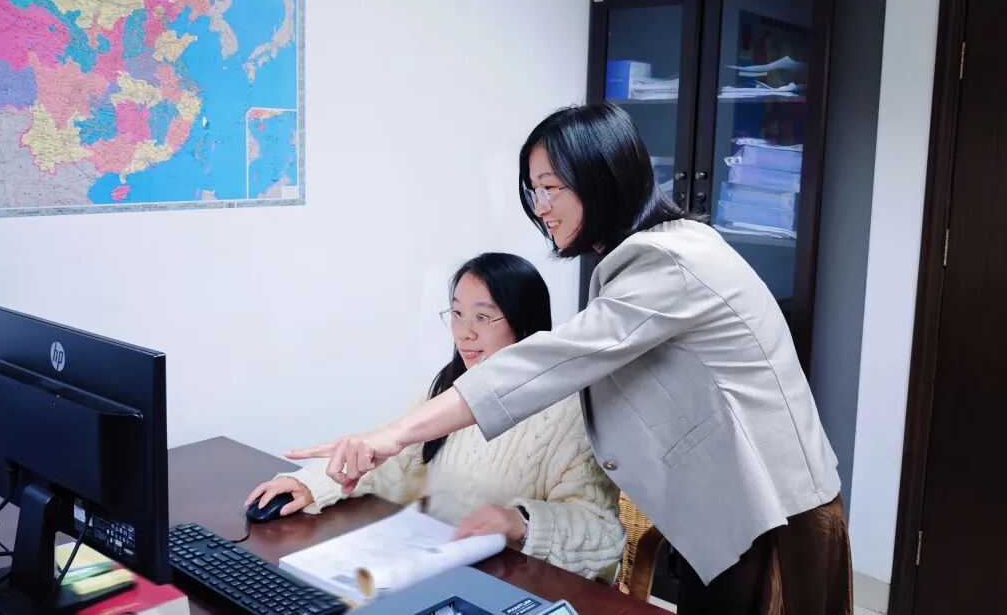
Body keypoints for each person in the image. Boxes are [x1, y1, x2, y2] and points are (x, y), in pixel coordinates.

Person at [287, 104, 853, 615]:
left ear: (602, 180)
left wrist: (391, 434)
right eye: (534, 190)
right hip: (727, 506)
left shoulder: (669, 261)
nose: (540, 208)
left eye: (551, 188)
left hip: (771, 509)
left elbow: (550, 360)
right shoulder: (644, 258)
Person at [248, 253, 625, 581]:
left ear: (524, 323)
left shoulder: (571, 411)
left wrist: (522, 521)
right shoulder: (451, 387)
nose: (464, 333)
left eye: (482, 317)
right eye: (457, 314)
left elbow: (603, 534)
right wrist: (311, 485)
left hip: (520, 584)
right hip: (439, 567)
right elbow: (391, 462)